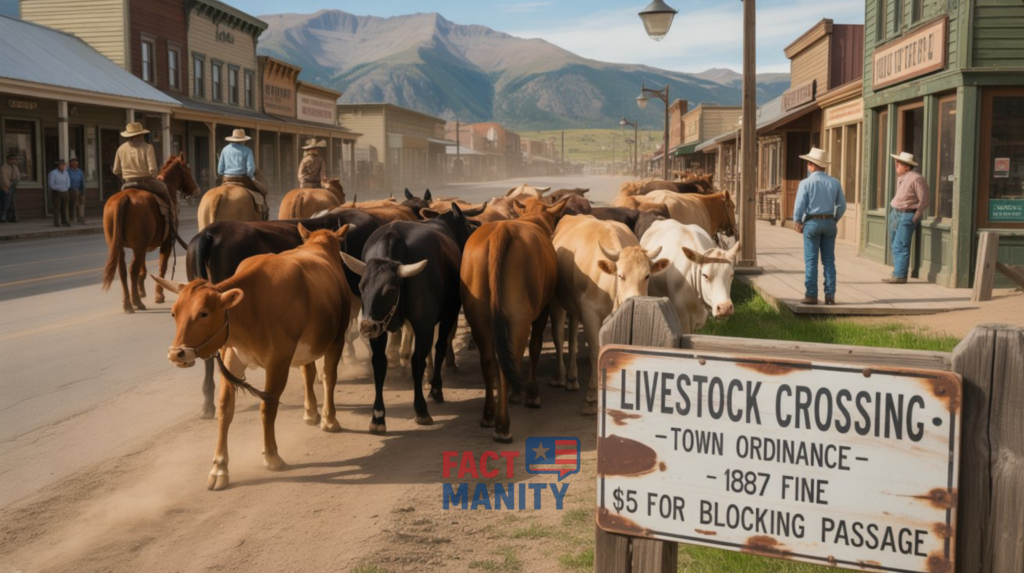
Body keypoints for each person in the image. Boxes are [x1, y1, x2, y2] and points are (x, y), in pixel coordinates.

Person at [792, 147, 846, 306]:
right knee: (829, 260)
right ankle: (830, 296)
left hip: (812, 223)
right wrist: (833, 219)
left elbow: (799, 206)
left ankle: (811, 295)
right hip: (829, 222)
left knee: (811, 260)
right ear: (824, 166)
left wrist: (797, 221)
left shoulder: (806, 183)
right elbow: (842, 206)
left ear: (811, 165)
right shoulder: (835, 182)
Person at [113, 122, 176, 230]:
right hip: (146, 181)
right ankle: (171, 216)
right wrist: (156, 176)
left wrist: (125, 178)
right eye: (141, 134)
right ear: (138, 135)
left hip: (127, 183)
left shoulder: (121, 149)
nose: (142, 136)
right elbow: (153, 169)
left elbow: (116, 170)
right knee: (164, 189)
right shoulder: (147, 147)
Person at [885, 152, 930, 284]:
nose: (896, 166)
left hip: (907, 214)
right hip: (896, 213)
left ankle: (900, 275)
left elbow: (925, 200)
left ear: (906, 166)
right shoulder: (902, 178)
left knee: (900, 245)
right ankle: (897, 272)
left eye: (898, 164)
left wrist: (915, 216)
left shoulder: (916, 178)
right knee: (895, 244)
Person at [217, 129, 269, 218]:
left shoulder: (225, 150)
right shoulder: (247, 150)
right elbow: (250, 170)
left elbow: (220, 170)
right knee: (262, 191)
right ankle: (263, 215)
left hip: (226, 179)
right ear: (243, 140)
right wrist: (252, 178)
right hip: (243, 179)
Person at [48, 159, 71, 227]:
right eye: (60, 165)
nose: (62, 166)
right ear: (58, 165)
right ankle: (56, 222)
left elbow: (68, 182)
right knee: (57, 208)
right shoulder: (53, 173)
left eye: (63, 165)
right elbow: (51, 184)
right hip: (56, 192)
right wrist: (58, 188)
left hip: (65, 191)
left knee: (65, 207)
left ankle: (65, 220)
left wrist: (66, 188)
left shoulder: (66, 173)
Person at [0, 153, 20, 223]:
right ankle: (2, 216)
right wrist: (6, 186)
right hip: (6, 186)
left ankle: (12, 217)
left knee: (12, 202)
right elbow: (3, 178)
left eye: (14, 159)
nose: (13, 161)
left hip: (13, 186)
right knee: (5, 202)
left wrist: (14, 183)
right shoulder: (4, 168)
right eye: (12, 159)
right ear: (8, 159)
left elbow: (17, 176)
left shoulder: (15, 167)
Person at [67, 157, 86, 224]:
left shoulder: (80, 171)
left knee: (81, 204)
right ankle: (72, 218)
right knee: (73, 204)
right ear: (70, 164)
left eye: (76, 163)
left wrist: (83, 189)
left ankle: (81, 218)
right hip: (71, 190)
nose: (75, 164)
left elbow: (83, 181)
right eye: (73, 163)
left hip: (80, 190)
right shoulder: (68, 171)